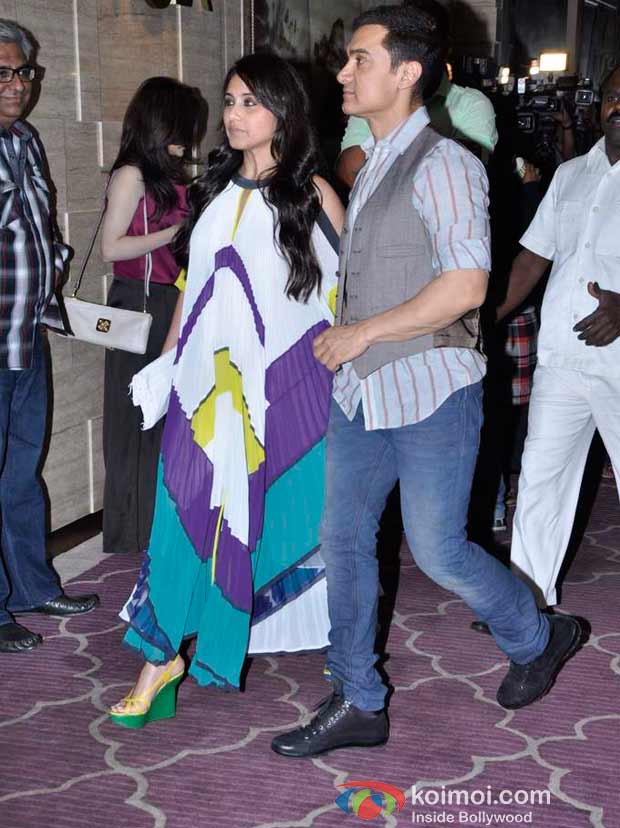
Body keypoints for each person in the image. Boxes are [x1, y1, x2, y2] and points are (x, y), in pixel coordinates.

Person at [271, 4, 581, 759]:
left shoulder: (446, 163)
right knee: (343, 541)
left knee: (438, 550)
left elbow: (467, 286)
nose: (344, 73)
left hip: (433, 389)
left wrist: (362, 333)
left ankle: (538, 636)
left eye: (361, 60)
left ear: (407, 72)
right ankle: (357, 698)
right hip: (362, 392)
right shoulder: (374, 159)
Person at [108, 53, 344, 727]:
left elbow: (341, 290)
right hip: (201, 387)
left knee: (289, 512)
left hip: (281, 386)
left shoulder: (312, 193)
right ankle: (160, 658)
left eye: (251, 103)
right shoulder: (209, 189)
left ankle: (342, 644)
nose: (236, 116)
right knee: (179, 512)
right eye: (231, 101)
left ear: (284, 111)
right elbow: (193, 285)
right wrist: (165, 363)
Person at [496, 64, 620, 608]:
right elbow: (532, 259)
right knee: (540, 480)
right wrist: (484, 319)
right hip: (562, 360)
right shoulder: (570, 174)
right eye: (613, 96)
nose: (619, 106)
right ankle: (527, 604)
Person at [0, 19, 98, 654]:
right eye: (3, 73)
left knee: (20, 472)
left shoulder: (24, 139)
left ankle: (32, 586)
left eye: (24, 72)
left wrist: (54, 264)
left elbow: (37, 223)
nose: (18, 85)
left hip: (27, 332)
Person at [101, 77, 207, 556]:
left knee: (165, 417)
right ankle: (133, 531)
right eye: (184, 126)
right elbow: (111, 248)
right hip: (139, 302)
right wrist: (176, 233)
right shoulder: (132, 175)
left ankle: (160, 523)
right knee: (136, 418)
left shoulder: (170, 176)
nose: (190, 137)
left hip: (171, 299)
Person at [335, 0, 497, 191]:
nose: (343, 75)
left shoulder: (471, 104)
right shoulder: (370, 101)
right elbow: (349, 170)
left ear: (446, 48)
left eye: (361, 60)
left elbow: (456, 177)